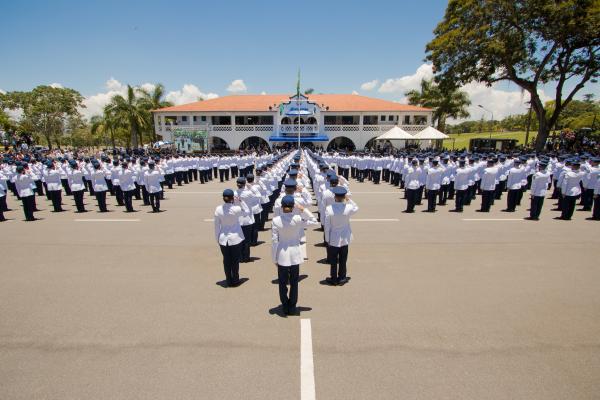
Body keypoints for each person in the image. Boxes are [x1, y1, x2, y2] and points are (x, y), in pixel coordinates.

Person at [271, 195, 318, 315]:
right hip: (295, 254)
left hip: (282, 254)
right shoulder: (297, 218)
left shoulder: (276, 221)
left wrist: (274, 258)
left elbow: (275, 241)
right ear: (293, 207)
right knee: (294, 282)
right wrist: (303, 209)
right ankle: (292, 306)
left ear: (281, 207)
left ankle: (285, 305)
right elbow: (314, 221)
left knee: (282, 283)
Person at [324, 186, 359, 285]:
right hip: (344, 238)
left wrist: (327, 239)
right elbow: (356, 208)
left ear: (335, 197)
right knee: (343, 259)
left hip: (333, 238)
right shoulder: (348, 207)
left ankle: (334, 278)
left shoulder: (329, 209)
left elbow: (327, 226)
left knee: (333, 260)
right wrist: (349, 200)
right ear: (344, 197)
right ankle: (342, 277)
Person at [214, 189, 244, 287]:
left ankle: (228, 279)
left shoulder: (218, 209)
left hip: (223, 238)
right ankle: (235, 279)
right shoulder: (236, 209)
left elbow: (216, 226)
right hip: (235, 238)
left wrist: (217, 239)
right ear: (232, 198)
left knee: (226, 260)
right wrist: (239, 201)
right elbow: (246, 210)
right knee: (235, 260)